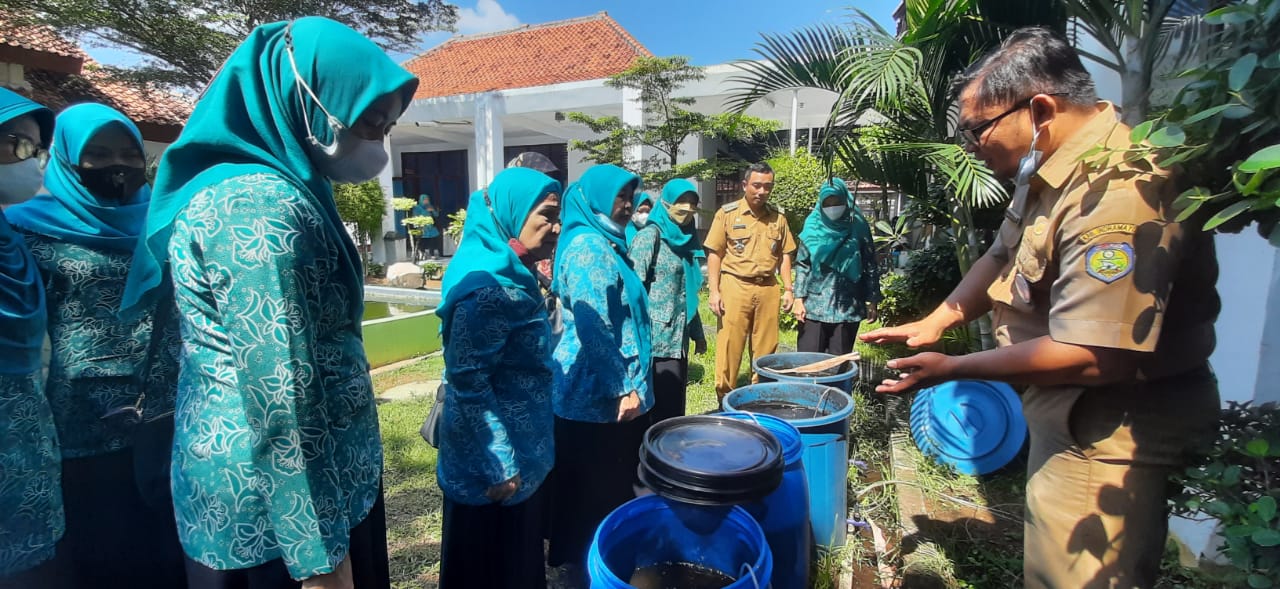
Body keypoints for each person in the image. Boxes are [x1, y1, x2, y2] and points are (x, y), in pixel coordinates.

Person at [860, 27, 1220, 589]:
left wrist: (952, 369)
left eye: (977, 130)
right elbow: (1004, 252)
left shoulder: (1118, 191)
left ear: (1041, 108)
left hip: (1106, 424)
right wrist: (936, 323)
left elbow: (1098, 354)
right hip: (1066, 406)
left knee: (1070, 577)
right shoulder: (1050, 168)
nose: (970, 147)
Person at [120, 17, 419, 589]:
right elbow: (280, 397)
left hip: (303, 493)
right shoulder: (258, 209)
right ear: (302, 98)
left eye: (387, 126)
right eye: (367, 120)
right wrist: (318, 561)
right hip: (275, 519)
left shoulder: (283, 189)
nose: (377, 142)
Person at [6, 102, 185, 588]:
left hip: (170, 419)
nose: (116, 166)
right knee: (103, 558)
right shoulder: (22, 230)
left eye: (128, 152)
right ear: (65, 160)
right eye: (98, 155)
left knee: (171, 561)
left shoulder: (165, 220)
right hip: (78, 434)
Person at [435, 167, 562, 589]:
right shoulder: (485, 289)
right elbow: (469, 384)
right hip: (492, 470)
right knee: (490, 568)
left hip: (520, 452)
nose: (555, 226)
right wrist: (499, 466)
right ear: (512, 213)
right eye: (545, 215)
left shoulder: (514, 272)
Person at [548, 163, 652, 586]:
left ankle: (595, 561)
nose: (627, 206)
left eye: (631, 196)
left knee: (601, 487)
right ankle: (586, 569)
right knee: (593, 491)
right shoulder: (588, 246)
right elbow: (595, 328)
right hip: (596, 398)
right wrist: (621, 387)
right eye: (619, 196)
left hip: (608, 394)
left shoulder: (608, 241)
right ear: (594, 198)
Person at [0, 88, 68, 589]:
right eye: (21, 145)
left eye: (38, 148)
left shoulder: (13, 239)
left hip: (27, 453)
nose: (34, 161)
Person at [704, 162, 797, 401]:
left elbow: (785, 255)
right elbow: (714, 253)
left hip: (768, 287)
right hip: (735, 285)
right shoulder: (727, 214)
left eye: (767, 186)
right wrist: (714, 291)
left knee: (766, 348)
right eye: (756, 185)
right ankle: (725, 399)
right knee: (729, 347)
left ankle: (759, 398)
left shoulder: (778, 218)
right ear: (745, 185)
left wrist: (788, 289)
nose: (762, 191)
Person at [629, 178, 706, 424]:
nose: (687, 208)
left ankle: (671, 457)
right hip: (655, 340)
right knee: (656, 410)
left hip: (678, 338)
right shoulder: (650, 236)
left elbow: (688, 292)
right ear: (666, 202)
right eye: (681, 201)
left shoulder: (688, 239)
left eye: (692, 203)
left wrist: (698, 332)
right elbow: (632, 289)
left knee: (674, 408)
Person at [792, 177, 880, 356]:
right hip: (813, 307)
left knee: (838, 363)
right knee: (808, 361)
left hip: (847, 307)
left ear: (845, 200)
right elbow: (802, 264)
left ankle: (837, 386)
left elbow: (870, 263)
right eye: (828, 202)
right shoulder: (813, 226)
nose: (832, 207)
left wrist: (872, 299)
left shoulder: (858, 226)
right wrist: (798, 299)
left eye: (837, 201)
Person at [412, 194, 442, 259]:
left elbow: (436, 215)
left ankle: (432, 254)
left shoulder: (430, 206)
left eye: (427, 200)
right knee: (422, 241)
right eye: (424, 200)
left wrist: (433, 210)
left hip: (430, 226)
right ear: (421, 200)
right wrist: (426, 211)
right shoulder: (417, 207)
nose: (426, 201)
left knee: (433, 240)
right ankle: (422, 253)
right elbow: (416, 216)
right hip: (422, 226)